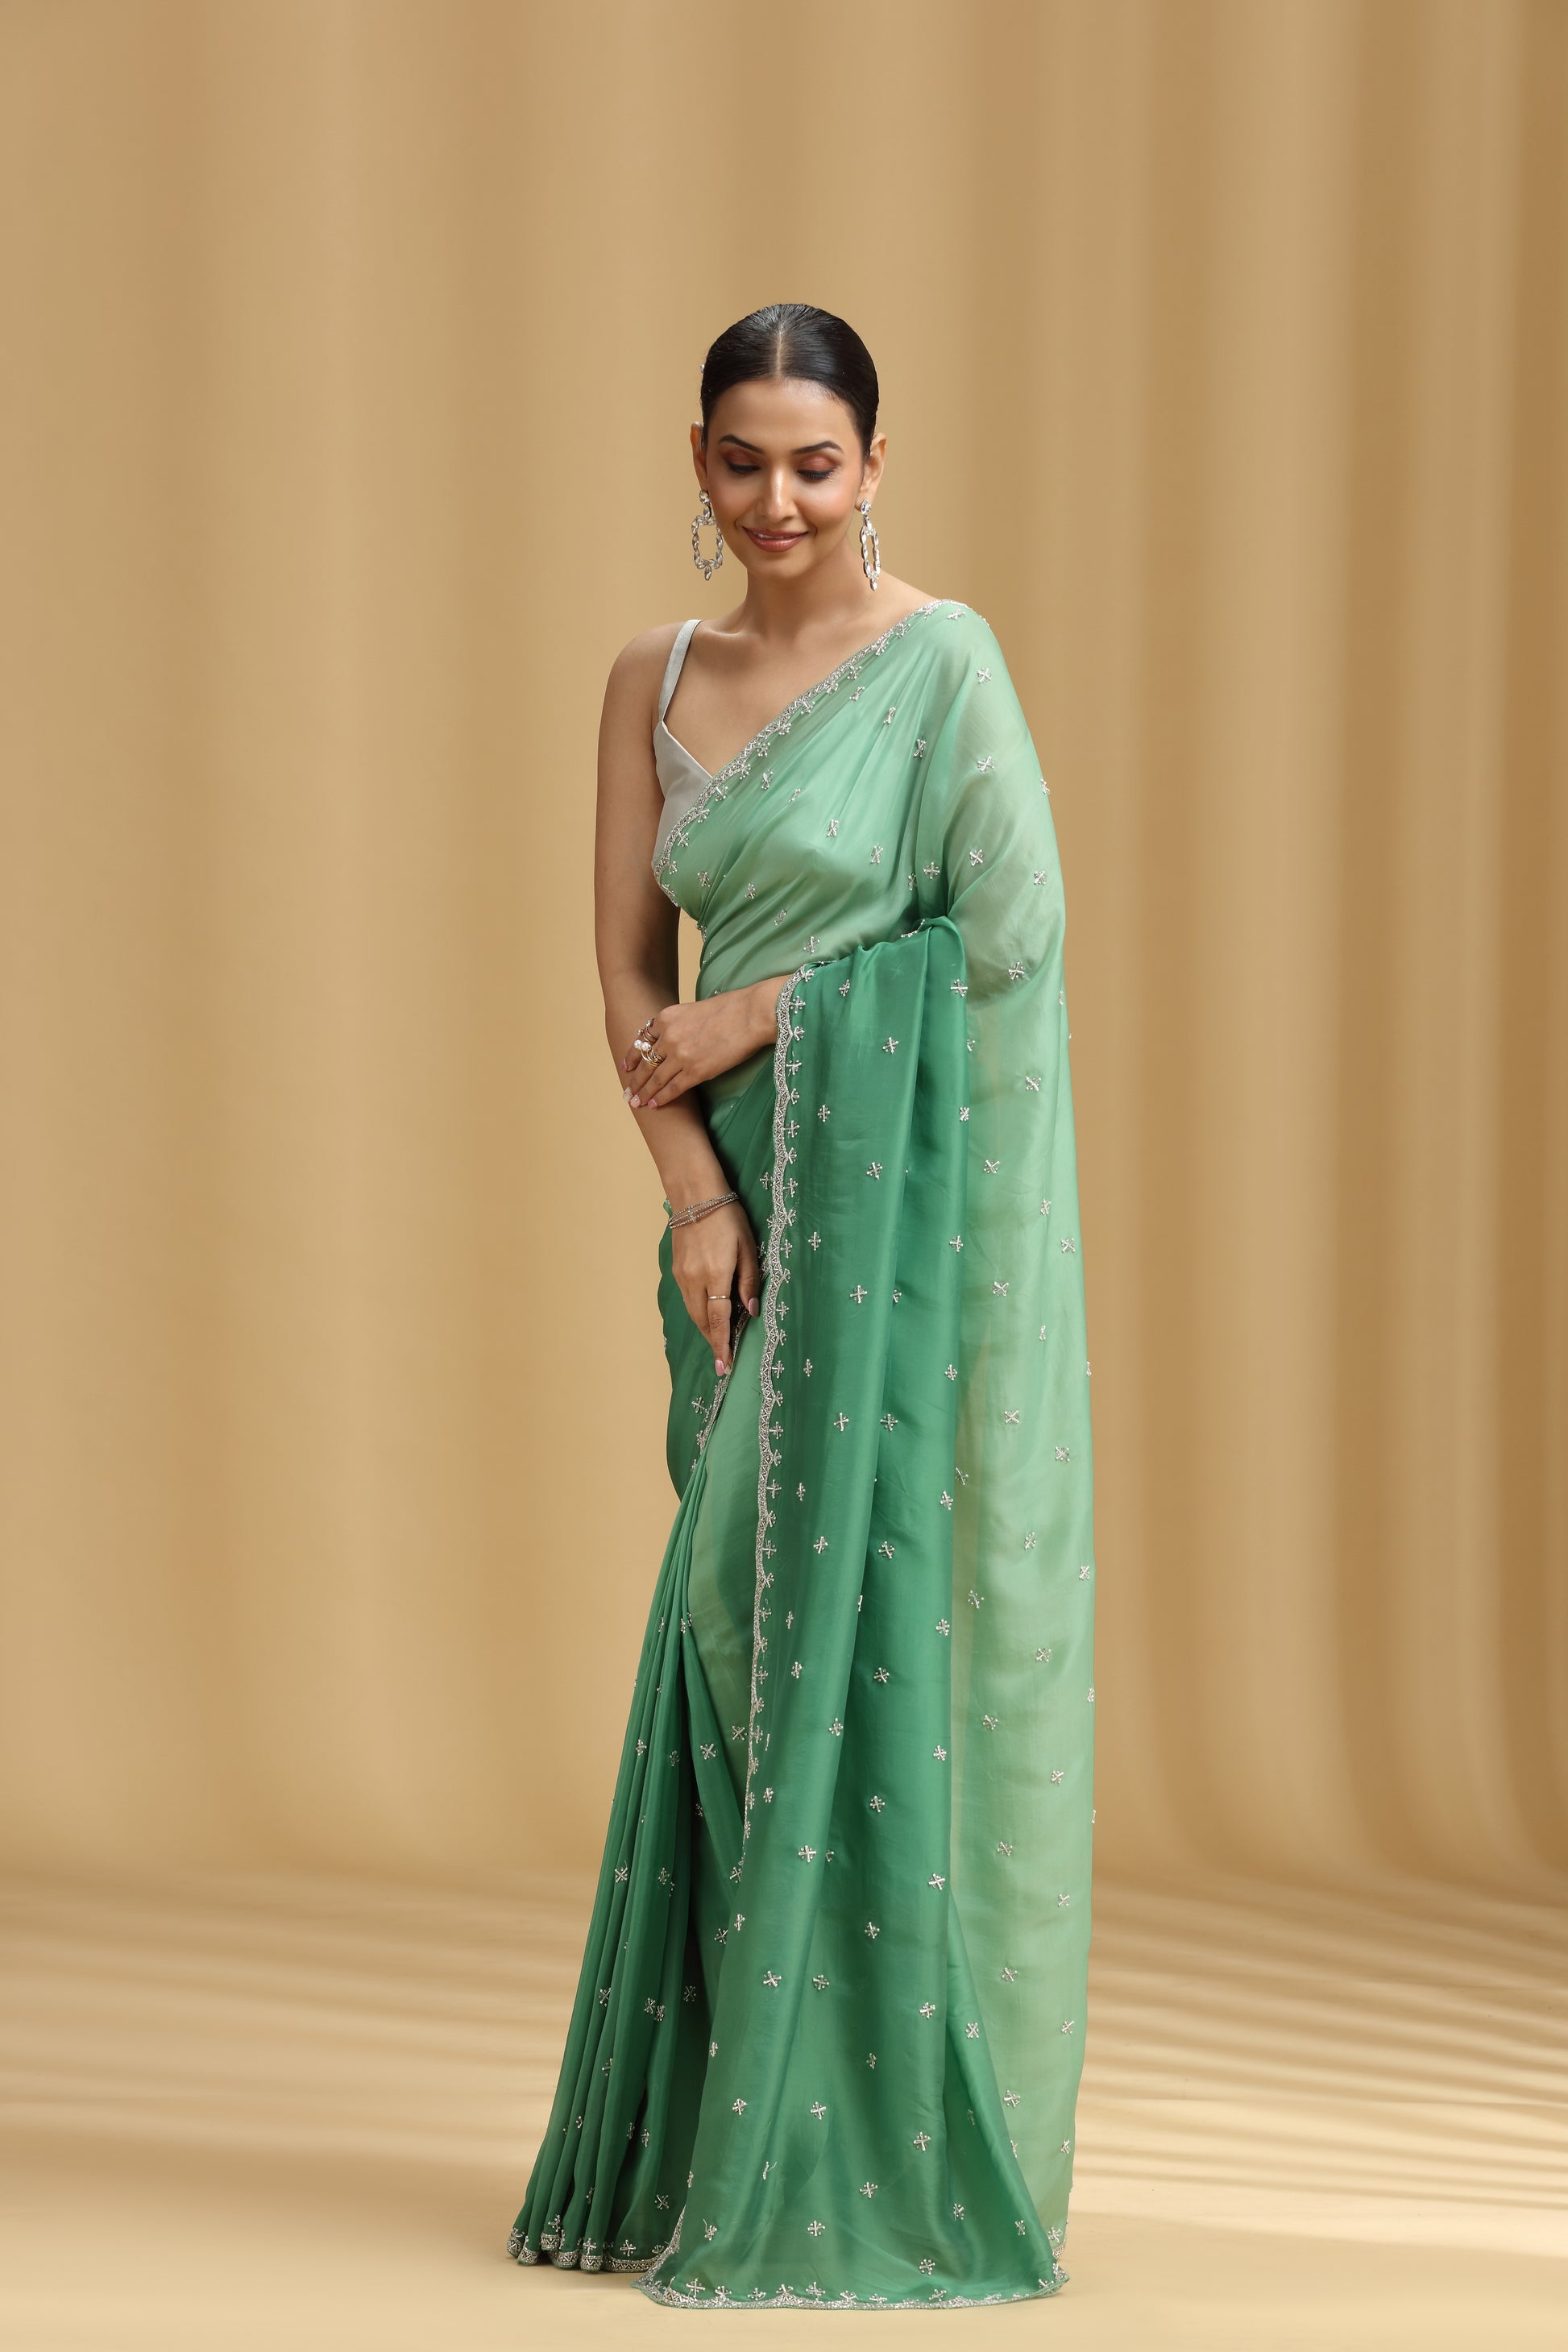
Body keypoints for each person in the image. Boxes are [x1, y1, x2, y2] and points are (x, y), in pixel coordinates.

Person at [508, 303, 1095, 2312]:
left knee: (804, 1632)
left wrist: (773, 1006)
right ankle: (748, 2111)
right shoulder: (647, 678)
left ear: (873, 466)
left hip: (898, 1206)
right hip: (738, 1212)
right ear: (697, 464)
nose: (778, 501)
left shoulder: (940, 664)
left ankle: (861, 2122)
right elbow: (619, 972)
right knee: (742, 1627)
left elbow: (1006, 931)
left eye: (815, 464)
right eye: (742, 462)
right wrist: (687, 1186)